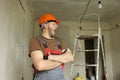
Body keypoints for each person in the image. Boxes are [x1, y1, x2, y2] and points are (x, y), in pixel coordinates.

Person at [29, 13, 74, 80]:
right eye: (54, 24)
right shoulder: (35, 41)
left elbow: (70, 57)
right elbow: (40, 66)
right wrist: (62, 59)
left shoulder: (59, 41)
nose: (57, 26)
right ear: (45, 25)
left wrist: (51, 57)